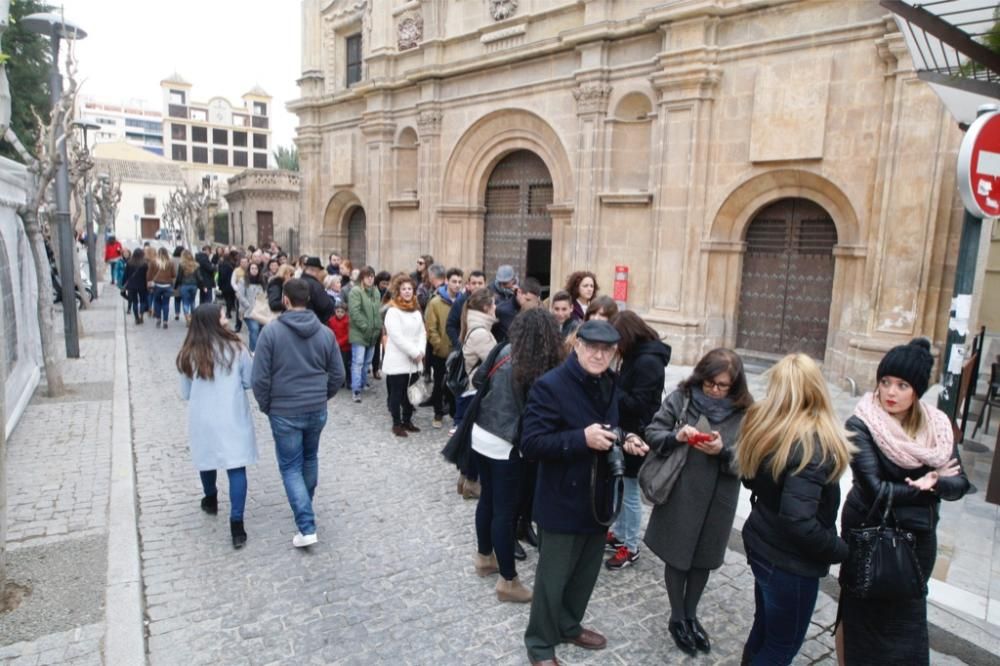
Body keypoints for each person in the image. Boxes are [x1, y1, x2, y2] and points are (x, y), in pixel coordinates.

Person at [520, 319, 650, 665]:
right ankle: (540, 644)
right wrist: (581, 438)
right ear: (577, 346)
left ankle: (567, 624)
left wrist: (625, 438)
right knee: (552, 578)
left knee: (585, 574)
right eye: (591, 347)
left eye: (606, 349)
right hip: (562, 498)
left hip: (598, 498)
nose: (598, 354)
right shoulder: (550, 385)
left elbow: (608, 426)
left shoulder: (609, 381)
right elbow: (531, 443)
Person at [836, 338, 969, 666]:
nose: (891, 392)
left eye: (902, 385)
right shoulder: (861, 424)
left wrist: (936, 481)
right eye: (885, 382)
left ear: (917, 390)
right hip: (868, 531)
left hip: (917, 538)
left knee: (906, 620)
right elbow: (875, 489)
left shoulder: (937, 427)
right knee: (857, 611)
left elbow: (960, 482)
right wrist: (925, 487)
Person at [737, 353, 854, 666]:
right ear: (817, 388)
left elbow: (750, 480)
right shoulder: (812, 443)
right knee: (780, 646)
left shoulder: (765, 424)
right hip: (789, 562)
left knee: (764, 628)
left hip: (763, 544)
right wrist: (840, 550)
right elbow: (798, 521)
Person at [643, 348, 752, 656]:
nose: (715, 391)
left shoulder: (746, 411)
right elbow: (653, 431)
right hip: (682, 490)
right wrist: (678, 435)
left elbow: (750, 461)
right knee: (677, 556)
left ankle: (691, 615)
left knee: (704, 557)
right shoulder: (683, 397)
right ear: (701, 377)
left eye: (723, 386)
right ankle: (677, 617)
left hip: (720, 496)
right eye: (710, 383)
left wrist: (722, 452)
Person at [472, 308, 563, 605]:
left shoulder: (504, 349)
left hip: (482, 434)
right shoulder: (534, 365)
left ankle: (485, 557)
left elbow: (478, 380)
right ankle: (508, 581)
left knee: (488, 500)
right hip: (505, 443)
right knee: (505, 512)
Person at [251, 278, 345, 547]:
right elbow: (338, 374)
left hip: (284, 409)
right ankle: (304, 504)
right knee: (309, 459)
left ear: (286, 300)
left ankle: (306, 524)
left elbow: (260, 378)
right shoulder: (325, 333)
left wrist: (267, 405)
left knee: (291, 466)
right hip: (315, 408)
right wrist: (322, 395)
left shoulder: (271, 332)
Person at [176, 303, 257, 549]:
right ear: (213, 320)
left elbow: (186, 392)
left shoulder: (189, 352)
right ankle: (237, 524)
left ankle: (210, 497)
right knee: (236, 466)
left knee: (207, 457)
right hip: (231, 414)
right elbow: (248, 381)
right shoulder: (237, 349)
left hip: (204, 416)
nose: (225, 317)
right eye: (222, 314)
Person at [602, 312, 673, 572]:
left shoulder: (647, 362)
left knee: (630, 491)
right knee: (621, 486)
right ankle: (620, 533)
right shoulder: (637, 356)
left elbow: (640, 404)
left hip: (638, 432)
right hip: (627, 429)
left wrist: (612, 388)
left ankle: (630, 546)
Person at [453, 287, 498, 495]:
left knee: (469, 438)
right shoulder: (481, 332)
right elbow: (495, 362)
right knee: (473, 441)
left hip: (467, 390)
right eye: (494, 304)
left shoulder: (474, 325)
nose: (496, 308)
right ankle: (471, 482)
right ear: (487, 308)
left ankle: (465, 480)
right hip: (473, 391)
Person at [381, 273, 426, 437]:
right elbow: (396, 336)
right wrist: (414, 352)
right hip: (398, 360)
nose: (407, 292)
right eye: (404, 289)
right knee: (397, 393)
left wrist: (421, 351)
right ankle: (396, 423)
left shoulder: (416, 310)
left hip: (414, 361)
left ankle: (407, 420)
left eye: (410, 289)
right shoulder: (393, 311)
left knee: (411, 393)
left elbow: (422, 332)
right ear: (398, 291)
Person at [425, 267, 464, 428]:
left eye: (460, 282)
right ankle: (438, 413)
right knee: (439, 383)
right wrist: (439, 344)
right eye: (454, 281)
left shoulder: (464, 301)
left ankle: (455, 415)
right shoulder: (436, 301)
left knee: (456, 384)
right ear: (447, 281)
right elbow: (431, 327)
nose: (457, 285)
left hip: (458, 349)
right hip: (440, 351)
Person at [345, 266, 381, 403]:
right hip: (360, 333)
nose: (370, 278)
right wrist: (365, 327)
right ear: (362, 277)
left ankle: (362, 384)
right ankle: (356, 389)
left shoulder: (376, 292)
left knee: (367, 363)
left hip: (373, 332)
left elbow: (377, 311)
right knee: (358, 362)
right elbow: (354, 313)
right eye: (367, 276)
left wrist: (378, 326)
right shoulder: (356, 291)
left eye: (372, 276)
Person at [446, 270, 488, 349]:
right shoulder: (460, 302)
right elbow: (450, 326)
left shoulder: (490, 302)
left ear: (485, 284)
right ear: (469, 285)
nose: (477, 286)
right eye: (474, 283)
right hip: (465, 348)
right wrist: (459, 345)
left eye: (480, 283)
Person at [494, 277, 542, 344]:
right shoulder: (501, 310)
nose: (530, 305)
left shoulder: (539, 312)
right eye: (527, 300)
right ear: (519, 292)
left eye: (534, 302)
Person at [237, 262, 267, 353]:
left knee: (262, 330)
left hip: (260, 310)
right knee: (254, 329)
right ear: (249, 270)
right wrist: (248, 305)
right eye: (252, 268)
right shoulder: (243, 281)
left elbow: (264, 294)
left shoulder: (262, 281)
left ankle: (261, 350)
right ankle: (253, 351)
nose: (254, 270)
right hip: (248, 311)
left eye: (256, 268)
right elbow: (240, 295)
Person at [147, 247, 177, 329]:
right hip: (167, 286)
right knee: (166, 304)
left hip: (157, 286)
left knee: (157, 302)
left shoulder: (153, 262)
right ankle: (165, 321)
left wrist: (149, 282)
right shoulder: (170, 263)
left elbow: (149, 274)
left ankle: (158, 319)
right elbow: (174, 275)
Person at [300, 256, 337, 324]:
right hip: (314, 323)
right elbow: (327, 306)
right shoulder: (315, 285)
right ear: (315, 270)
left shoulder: (297, 282)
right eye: (319, 271)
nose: (319, 273)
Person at [371, 270, 393, 380]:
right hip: (374, 321)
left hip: (384, 322)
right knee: (373, 347)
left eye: (386, 283)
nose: (384, 285)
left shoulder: (388, 292)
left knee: (378, 347)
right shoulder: (373, 291)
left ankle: (376, 369)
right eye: (383, 283)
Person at [326, 302, 351, 388]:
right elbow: (330, 332)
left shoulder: (347, 320)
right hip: (335, 347)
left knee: (346, 364)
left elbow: (348, 334)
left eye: (342, 312)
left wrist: (339, 342)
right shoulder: (331, 320)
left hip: (345, 347)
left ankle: (348, 380)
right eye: (338, 311)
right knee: (336, 365)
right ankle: (340, 381)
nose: (340, 314)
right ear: (335, 311)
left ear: (345, 312)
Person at [123, 248, 148, 325]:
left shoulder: (129, 263)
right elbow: (147, 276)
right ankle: (141, 315)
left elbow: (125, 275)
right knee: (143, 301)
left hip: (132, 286)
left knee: (135, 302)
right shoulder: (145, 264)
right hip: (142, 285)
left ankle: (136, 318)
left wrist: (123, 284)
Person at [175, 250, 200, 325]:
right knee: (192, 302)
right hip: (194, 285)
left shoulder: (182, 265)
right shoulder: (196, 265)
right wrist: (201, 285)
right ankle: (192, 318)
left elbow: (179, 277)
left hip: (184, 285)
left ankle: (187, 319)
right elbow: (199, 276)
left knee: (185, 302)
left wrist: (176, 286)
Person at [218, 250, 238, 322]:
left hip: (225, 284)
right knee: (230, 298)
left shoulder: (223, 264)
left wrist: (220, 284)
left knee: (228, 299)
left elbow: (221, 276)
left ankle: (228, 312)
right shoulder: (233, 264)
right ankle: (228, 312)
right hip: (231, 284)